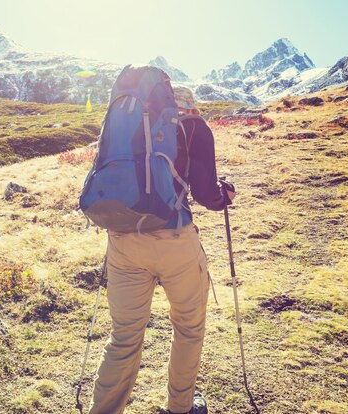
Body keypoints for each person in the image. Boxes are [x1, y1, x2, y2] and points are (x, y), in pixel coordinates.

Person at [88, 86, 236, 414]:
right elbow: (206, 194)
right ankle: (180, 407)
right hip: (175, 242)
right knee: (188, 327)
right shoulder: (194, 127)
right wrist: (225, 195)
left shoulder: (123, 123)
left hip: (124, 241)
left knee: (124, 338)